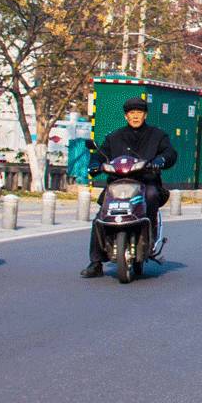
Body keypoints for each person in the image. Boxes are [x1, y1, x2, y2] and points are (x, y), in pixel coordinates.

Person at [82, 96, 174, 277]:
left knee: (152, 195)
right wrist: (94, 165)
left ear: (145, 114)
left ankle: (150, 234)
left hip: (145, 182)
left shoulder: (157, 135)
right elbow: (100, 155)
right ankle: (96, 262)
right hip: (118, 183)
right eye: (131, 113)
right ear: (126, 116)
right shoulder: (114, 137)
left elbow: (170, 152)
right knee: (100, 217)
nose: (135, 116)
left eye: (139, 112)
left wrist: (160, 160)